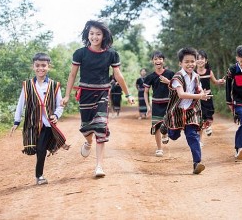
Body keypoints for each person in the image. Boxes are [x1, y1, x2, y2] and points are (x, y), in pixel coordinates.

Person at [61, 20, 134, 177]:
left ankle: (99, 166)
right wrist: (66, 95)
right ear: (88, 35)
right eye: (92, 33)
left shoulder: (111, 54)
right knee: (86, 128)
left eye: (98, 34)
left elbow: (118, 75)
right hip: (85, 94)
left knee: (101, 127)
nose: (94, 37)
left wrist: (128, 94)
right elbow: (72, 74)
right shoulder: (80, 53)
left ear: (104, 36)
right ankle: (88, 142)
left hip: (102, 93)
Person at [10, 53, 69, 185]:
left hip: (47, 124)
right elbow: (21, 103)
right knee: (34, 148)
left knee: (41, 149)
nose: (40, 68)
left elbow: (60, 105)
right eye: (37, 65)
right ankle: (55, 144)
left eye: (43, 65)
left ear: (49, 67)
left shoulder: (54, 85)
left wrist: (56, 115)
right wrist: (16, 121)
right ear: (33, 66)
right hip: (31, 124)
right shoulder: (27, 85)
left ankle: (39, 176)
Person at [161, 47, 212, 174]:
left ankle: (197, 163)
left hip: (191, 110)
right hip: (177, 111)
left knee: (192, 136)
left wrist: (202, 93)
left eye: (192, 61)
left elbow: (198, 89)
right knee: (174, 136)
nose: (190, 64)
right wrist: (199, 96)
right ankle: (165, 127)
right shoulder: (177, 77)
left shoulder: (196, 76)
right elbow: (181, 94)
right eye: (187, 62)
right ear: (180, 63)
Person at [143, 51, 174, 157]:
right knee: (156, 126)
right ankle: (159, 149)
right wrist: (148, 106)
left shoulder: (170, 74)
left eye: (160, 59)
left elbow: (178, 87)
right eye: (156, 59)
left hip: (169, 103)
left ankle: (165, 133)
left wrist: (168, 82)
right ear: (152, 61)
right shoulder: (150, 77)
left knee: (166, 123)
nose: (158, 61)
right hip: (156, 104)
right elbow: (146, 92)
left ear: (163, 61)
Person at [195, 50, 225, 146]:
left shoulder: (209, 72)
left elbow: (215, 82)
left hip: (208, 97)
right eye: (197, 59)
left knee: (209, 113)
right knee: (200, 118)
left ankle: (208, 126)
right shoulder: (193, 73)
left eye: (202, 58)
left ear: (206, 60)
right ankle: (199, 140)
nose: (200, 60)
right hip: (198, 98)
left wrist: (220, 81)